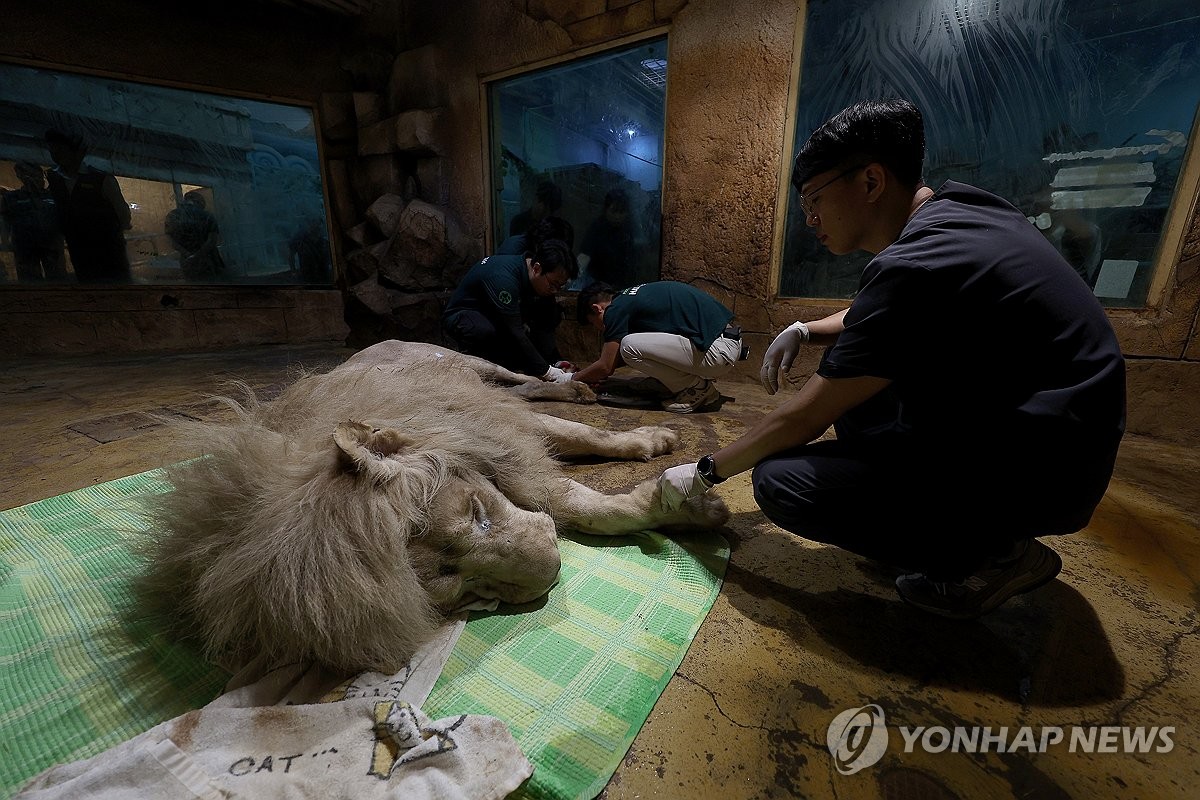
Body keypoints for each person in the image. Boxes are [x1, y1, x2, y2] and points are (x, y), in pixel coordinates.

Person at [658, 99, 1126, 619]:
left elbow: (804, 417)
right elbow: (884, 312)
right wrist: (807, 328)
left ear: (871, 181)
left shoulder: (916, 263)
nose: (809, 219)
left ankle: (989, 555)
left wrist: (703, 471)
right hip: (1059, 442)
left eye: (814, 199)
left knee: (782, 481)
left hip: (1045, 472)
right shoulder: (959, 211)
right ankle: (946, 528)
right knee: (864, 405)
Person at [560, 280, 749, 413]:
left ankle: (697, 389)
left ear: (596, 308)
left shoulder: (614, 309)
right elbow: (615, 362)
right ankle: (680, 384)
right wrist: (591, 374)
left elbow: (606, 366)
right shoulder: (631, 297)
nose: (600, 328)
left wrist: (572, 378)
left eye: (595, 323)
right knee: (630, 348)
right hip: (725, 344)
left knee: (629, 346)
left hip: (717, 351)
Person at [442, 238, 576, 378]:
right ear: (537, 268)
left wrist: (555, 360)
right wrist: (548, 373)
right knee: (487, 331)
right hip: (463, 317)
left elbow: (544, 326)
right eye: (553, 284)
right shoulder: (504, 278)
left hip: (497, 317)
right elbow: (515, 330)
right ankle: (474, 370)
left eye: (560, 286)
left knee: (549, 312)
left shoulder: (536, 277)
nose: (555, 290)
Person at [44, 129, 132, 283]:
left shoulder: (101, 180)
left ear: (78, 152)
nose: (56, 154)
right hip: (79, 253)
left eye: (61, 149)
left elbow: (123, 216)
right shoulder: (54, 180)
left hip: (110, 253)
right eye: (53, 150)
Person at [0, 161, 66, 281]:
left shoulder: (54, 195)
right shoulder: (12, 198)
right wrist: (5, 242)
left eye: (36, 175)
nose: (33, 179)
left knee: (58, 280)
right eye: (28, 175)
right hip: (25, 248)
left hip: (52, 247)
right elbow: (5, 220)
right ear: (20, 177)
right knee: (29, 281)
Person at [576, 188, 637, 290]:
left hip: (620, 284)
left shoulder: (628, 229)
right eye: (614, 211)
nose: (617, 216)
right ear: (606, 210)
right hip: (596, 282)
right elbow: (584, 255)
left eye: (621, 212)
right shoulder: (597, 227)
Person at [164, 190, 226, 280]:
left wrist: (188, 254)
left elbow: (171, 241)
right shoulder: (207, 215)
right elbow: (212, 240)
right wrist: (198, 255)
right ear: (199, 202)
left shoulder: (173, 215)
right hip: (208, 259)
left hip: (187, 260)